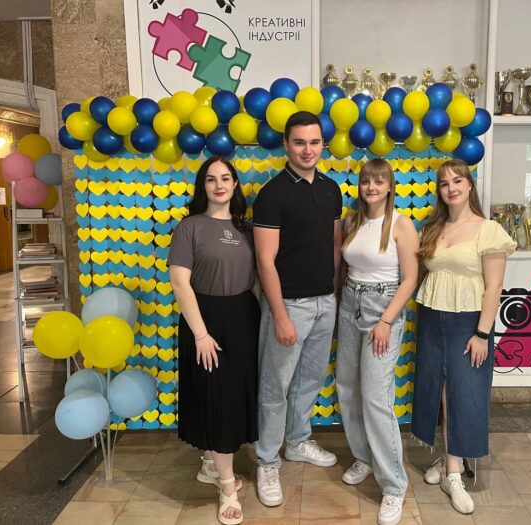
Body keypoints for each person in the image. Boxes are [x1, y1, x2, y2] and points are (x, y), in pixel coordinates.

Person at [411, 159, 515, 515]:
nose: (451, 188)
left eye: (457, 181)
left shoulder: (489, 230)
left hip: (469, 322)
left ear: (470, 185)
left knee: (464, 392)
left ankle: (454, 475)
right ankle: (448, 459)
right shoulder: (434, 228)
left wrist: (482, 334)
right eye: (444, 183)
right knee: (438, 389)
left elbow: (494, 287)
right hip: (431, 316)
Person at [252, 111, 343, 507]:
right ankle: (267, 460)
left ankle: (297, 441)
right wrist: (281, 315)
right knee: (276, 387)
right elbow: (265, 261)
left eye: (314, 142)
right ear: (286, 145)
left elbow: (335, 245)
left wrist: (332, 295)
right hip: (289, 304)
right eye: (300, 142)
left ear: (323, 145)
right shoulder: (272, 194)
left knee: (309, 380)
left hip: (325, 303)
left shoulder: (331, 189)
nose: (308, 150)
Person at [169, 156, 260, 525]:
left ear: (235, 184)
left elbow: (256, 281)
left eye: (225, 178)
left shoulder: (247, 229)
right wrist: (201, 333)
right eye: (211, 179)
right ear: (202, 186)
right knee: (216, 398)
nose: (219, 185)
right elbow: (180, 283)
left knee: (234, 397)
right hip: (205, 320)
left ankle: (211, 463)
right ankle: (227, 487)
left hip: (244, 318)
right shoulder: (189, 227)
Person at [336, 159, 419, 525]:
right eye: (366, 181)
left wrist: (386, 321)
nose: (371, 187)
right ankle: (364, 458)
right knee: (347, 387)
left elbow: (410, 278)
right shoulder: (352, 222)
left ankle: (394, 485)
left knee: (375, 397)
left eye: (378, 181)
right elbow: (345, 268)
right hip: (349, 302)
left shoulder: (401, 224)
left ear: (389, 187)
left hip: (382, 307)